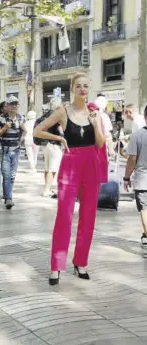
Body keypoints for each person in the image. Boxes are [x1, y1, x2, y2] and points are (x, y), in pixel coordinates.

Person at [34, 72, 107, 285]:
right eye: (79, 86)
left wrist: (95, 125)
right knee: (64, 216)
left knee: (88, 216)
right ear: (72, 88)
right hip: (70, 164)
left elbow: (100, 144)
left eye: (86, 86)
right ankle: (56, 266)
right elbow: (38, 130)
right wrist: (58, 137)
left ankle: (80, 262)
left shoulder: (95, 114)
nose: (83, 89)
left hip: (91, 165)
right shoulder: (63, 112)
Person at [0, 96, 26, 209]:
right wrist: (4, 128)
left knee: (12, 175)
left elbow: (24, 133)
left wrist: (22, 136)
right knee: (6, 174)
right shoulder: (1, 119)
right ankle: (9, 198)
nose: (14, 106)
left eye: (16, 104)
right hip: (5, 150)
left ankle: (7, 195)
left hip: (16, 150)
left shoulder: (21, 118)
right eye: (12, 104)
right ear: (7, 105)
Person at [124, 105, 147, 258]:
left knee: (144, 210)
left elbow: (131, 159)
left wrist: (126, 177)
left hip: (143, 180)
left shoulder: (138, 135)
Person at [42, 99, 64, 198]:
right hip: (55, 145)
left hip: (46, 144)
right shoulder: (57, 117)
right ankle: (47, 190)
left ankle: (46, 188)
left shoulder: (46, 115)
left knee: (47, 168)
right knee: (53, 169)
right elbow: (61, 131)